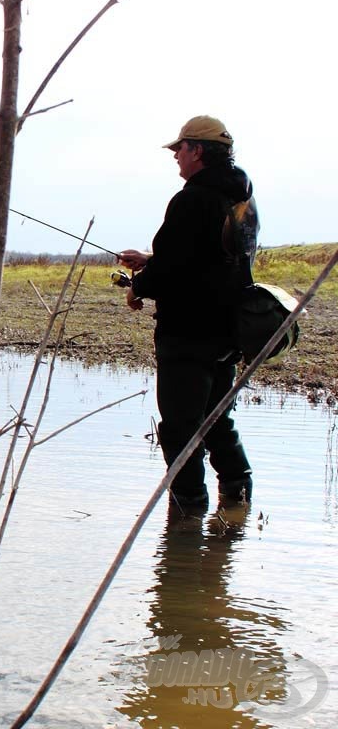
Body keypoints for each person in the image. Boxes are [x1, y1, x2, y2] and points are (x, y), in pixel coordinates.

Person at [119, 115, 258, 511]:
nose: (175, 157)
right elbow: (211, 259)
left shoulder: (191, 198)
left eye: (179, 149)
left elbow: (176, 271)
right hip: (228, 332)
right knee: (216, 420)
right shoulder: (240, 196)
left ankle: (187, 515)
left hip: (188, 333)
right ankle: (238, 496)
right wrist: (150, 260)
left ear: (198, 150)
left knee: (180, 428)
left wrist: (138, 287)